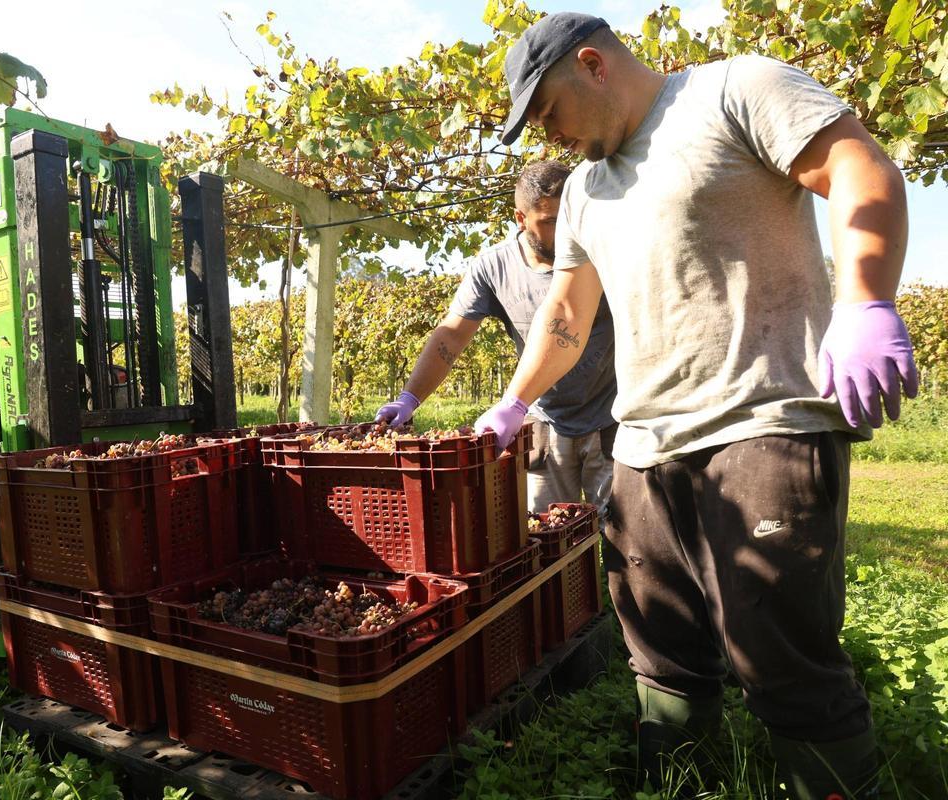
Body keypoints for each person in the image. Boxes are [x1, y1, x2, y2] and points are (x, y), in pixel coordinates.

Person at [474, 12, 917, 799]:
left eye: (548, 112)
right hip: (643, 453)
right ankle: (681, 785)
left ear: (592, 64)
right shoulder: (583, 190)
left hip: (764, 427)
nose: (552, 137)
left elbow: (860, 169)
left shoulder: (734, 90)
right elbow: (567, 317)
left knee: (783, 659)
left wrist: (866, 302)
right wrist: (513, 402)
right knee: (659, 651)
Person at [375, 160, 617, 514]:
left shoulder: (600, 253)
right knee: (544, 532)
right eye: (550, 222)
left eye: (569, 217)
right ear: (520, 219)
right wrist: (410, 398)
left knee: (622, 538)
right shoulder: (493, 268)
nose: (564, 231)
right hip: (544, 419)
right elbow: (452, 337)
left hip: (610, 416)